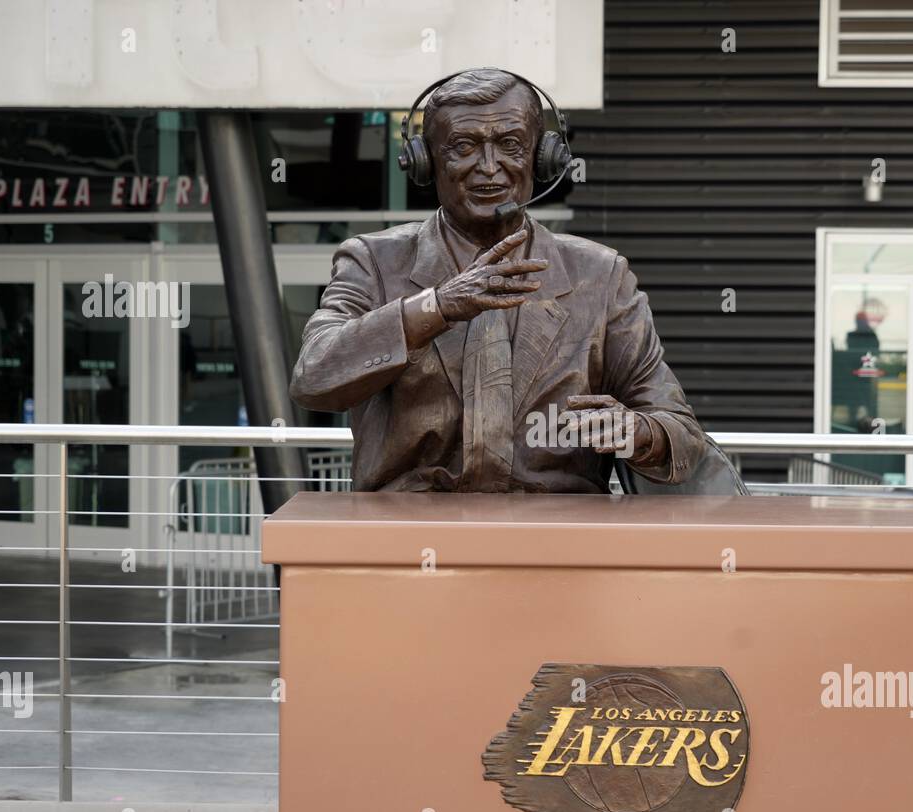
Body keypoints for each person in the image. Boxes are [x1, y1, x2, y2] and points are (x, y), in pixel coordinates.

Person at [289, 68, 704, 493]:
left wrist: (637, 431)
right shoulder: (375, 261)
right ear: (426, 161)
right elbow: (314, 376)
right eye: (464, 147)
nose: (489, 168)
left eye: (510, 145)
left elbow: (683, 434)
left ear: (542, 157)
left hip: (553, 540)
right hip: (409, 538)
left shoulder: (599, 275)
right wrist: (436, 307)